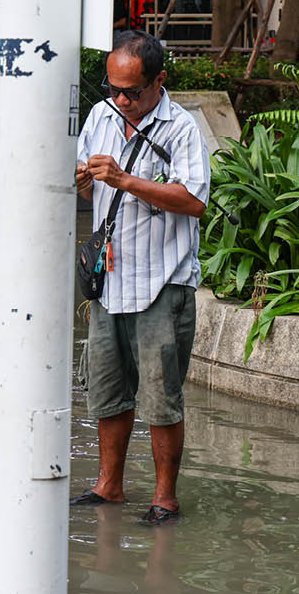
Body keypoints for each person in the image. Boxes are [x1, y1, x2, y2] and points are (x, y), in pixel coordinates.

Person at [71, 30, 210, 525]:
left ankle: (165, 497)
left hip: (162, 280)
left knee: (161, 395)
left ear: (159, 81)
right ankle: (109, 486)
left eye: (133, 91)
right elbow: (92, 194)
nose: (123, 100)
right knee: (108, 390)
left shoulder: (181, 127)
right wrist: (87, 184)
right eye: (114, 89)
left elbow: (193, 201)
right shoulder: (100, 117)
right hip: (111, 280)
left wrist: (124, 179)